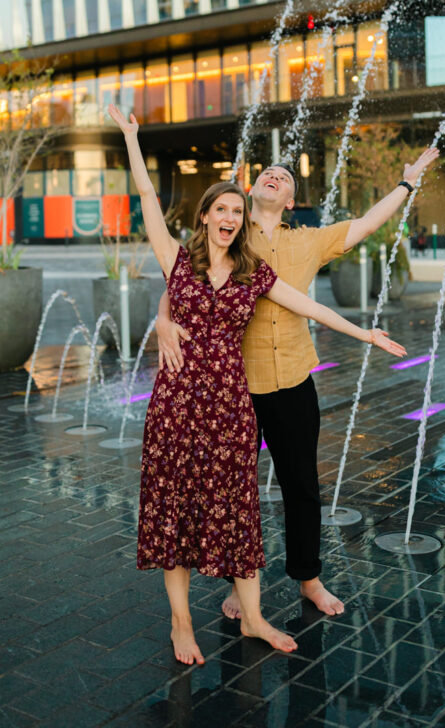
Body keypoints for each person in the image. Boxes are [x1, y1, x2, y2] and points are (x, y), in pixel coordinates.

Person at [109, 104, 408, 666]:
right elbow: (148, 200)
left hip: (230, 403)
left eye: (233, 210)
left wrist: (364, 333)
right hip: (176, 405)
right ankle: (180, 624)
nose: (228, 216)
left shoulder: (255, 273)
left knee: (237, 508)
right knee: (174, 508)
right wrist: (131, 137)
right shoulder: (177, 261)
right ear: (206, 217)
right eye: (220, 208)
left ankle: (254, 615)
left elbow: (309, 307)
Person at [157, 148, 439, 621]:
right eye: (268, 172)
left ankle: (309, 579)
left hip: (291, 379)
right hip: (232, 387)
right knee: (233, 492)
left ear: (290, 201)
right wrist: (162, 319)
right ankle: (239, 586)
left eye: (284, 177)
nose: (275, 176)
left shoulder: (310, 241)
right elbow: (179, 280)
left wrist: (406, 184)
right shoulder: (225, 230)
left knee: (302, 487)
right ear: (250, 192)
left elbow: (368, 223)